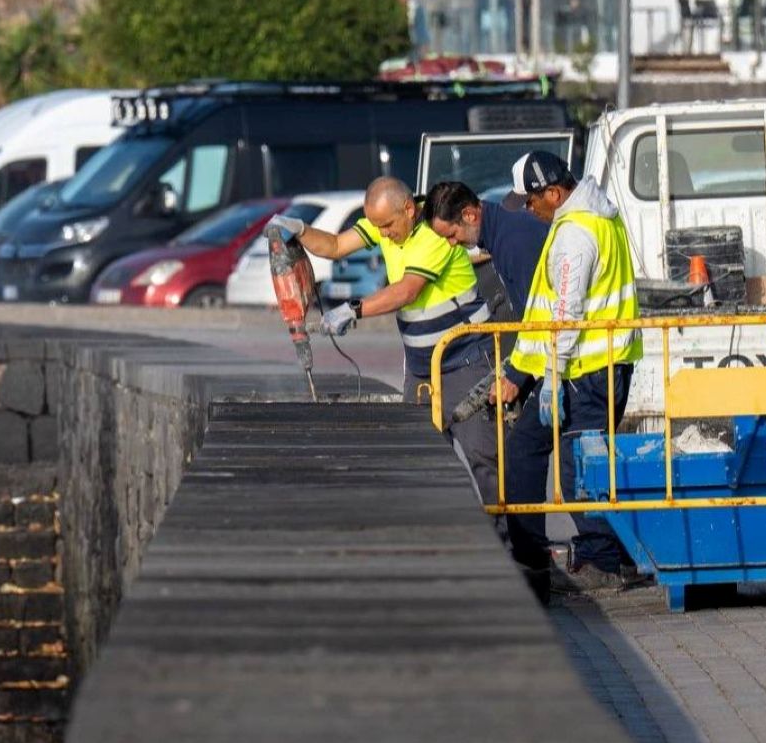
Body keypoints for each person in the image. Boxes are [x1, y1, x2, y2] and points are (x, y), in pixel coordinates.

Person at [494, 151, 645, 591]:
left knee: (574, 470)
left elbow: (566, 311)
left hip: (585, 373)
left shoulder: (575, 234)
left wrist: (553, 378)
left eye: (530, 201)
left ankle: (595, 561)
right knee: (565, 464)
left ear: (554, 193)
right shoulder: (602, 218)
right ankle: (598, 557)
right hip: (602, 368)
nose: (528, 209)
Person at [426, 179, 557, 581]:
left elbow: (537, 316)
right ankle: (538, 555)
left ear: (469, 214)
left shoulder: (514, 241)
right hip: (549, 359)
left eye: (451, 235)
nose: (452, 245)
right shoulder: (502, 236)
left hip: (564, 362)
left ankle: (535, 560)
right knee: (530, 455)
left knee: (524, 456)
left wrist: (516, 375)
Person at [265, 176, 491, 403]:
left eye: (387, 225)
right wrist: (300, 229)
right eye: (377, 226)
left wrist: (352, 310)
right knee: (421, 435)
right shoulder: (387, 223)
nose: (382, 233)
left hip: (465, 358)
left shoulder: (436, 231)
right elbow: (335, 246)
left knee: (474, 435)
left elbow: (406, 291)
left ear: (409, 209)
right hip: (422, 364)